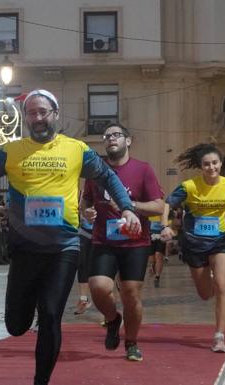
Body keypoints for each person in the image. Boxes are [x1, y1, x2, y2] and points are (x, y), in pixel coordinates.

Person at [0, 89, 140, 385]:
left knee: (51, 315)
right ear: (26, 117)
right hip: (25, 248)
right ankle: (39, 323)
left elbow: (107, 177)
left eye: (44, 112)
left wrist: (128, 208)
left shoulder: (76, 149)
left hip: (63, 248)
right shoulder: (12, 150)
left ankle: (40, 381)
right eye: (32, 113)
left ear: (55, 114)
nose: (38, 118)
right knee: (16, 325)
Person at [82, 123, 164, 362]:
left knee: (130, 293)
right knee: (98, 287)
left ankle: (131, 342)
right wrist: (86, 212)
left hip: (135, 243)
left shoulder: (143, 170)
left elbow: (158, 207)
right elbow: (85, 201)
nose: (110, 139)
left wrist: (130, 206)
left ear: (128, 141)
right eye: (106, 136)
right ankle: (113, 318)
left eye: (116, 134)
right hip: (103, 240)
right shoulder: (96, 171)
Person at [160, 143, 225, 353]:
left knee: (222, 285)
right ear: (201, 166)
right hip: (194, 244)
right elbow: (167, 204)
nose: (211, 167)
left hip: (220, 240)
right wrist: (165, 226)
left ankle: (219, 336)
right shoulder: (189, 186)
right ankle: (210, 289)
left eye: (215, 163)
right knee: (206, 293)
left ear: (221, 164)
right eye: (206, 164)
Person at [149, 203, 170, 288]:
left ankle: (157, 277)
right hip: (150, 235)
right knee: (152, 260)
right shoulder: (149, 207)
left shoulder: (164, 208)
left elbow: (169, 220)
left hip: (161, 235)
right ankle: (153, 270)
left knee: (158, 255)